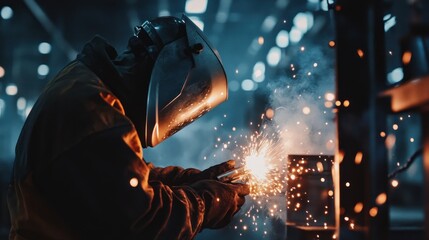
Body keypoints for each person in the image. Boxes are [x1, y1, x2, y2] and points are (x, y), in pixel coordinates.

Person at [7, 14, 250, 240]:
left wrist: (189, 180)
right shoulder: (95, 111)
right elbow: (145, 220)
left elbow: (117, 178)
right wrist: (208, 202)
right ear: (170, 77)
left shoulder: (85, 86)